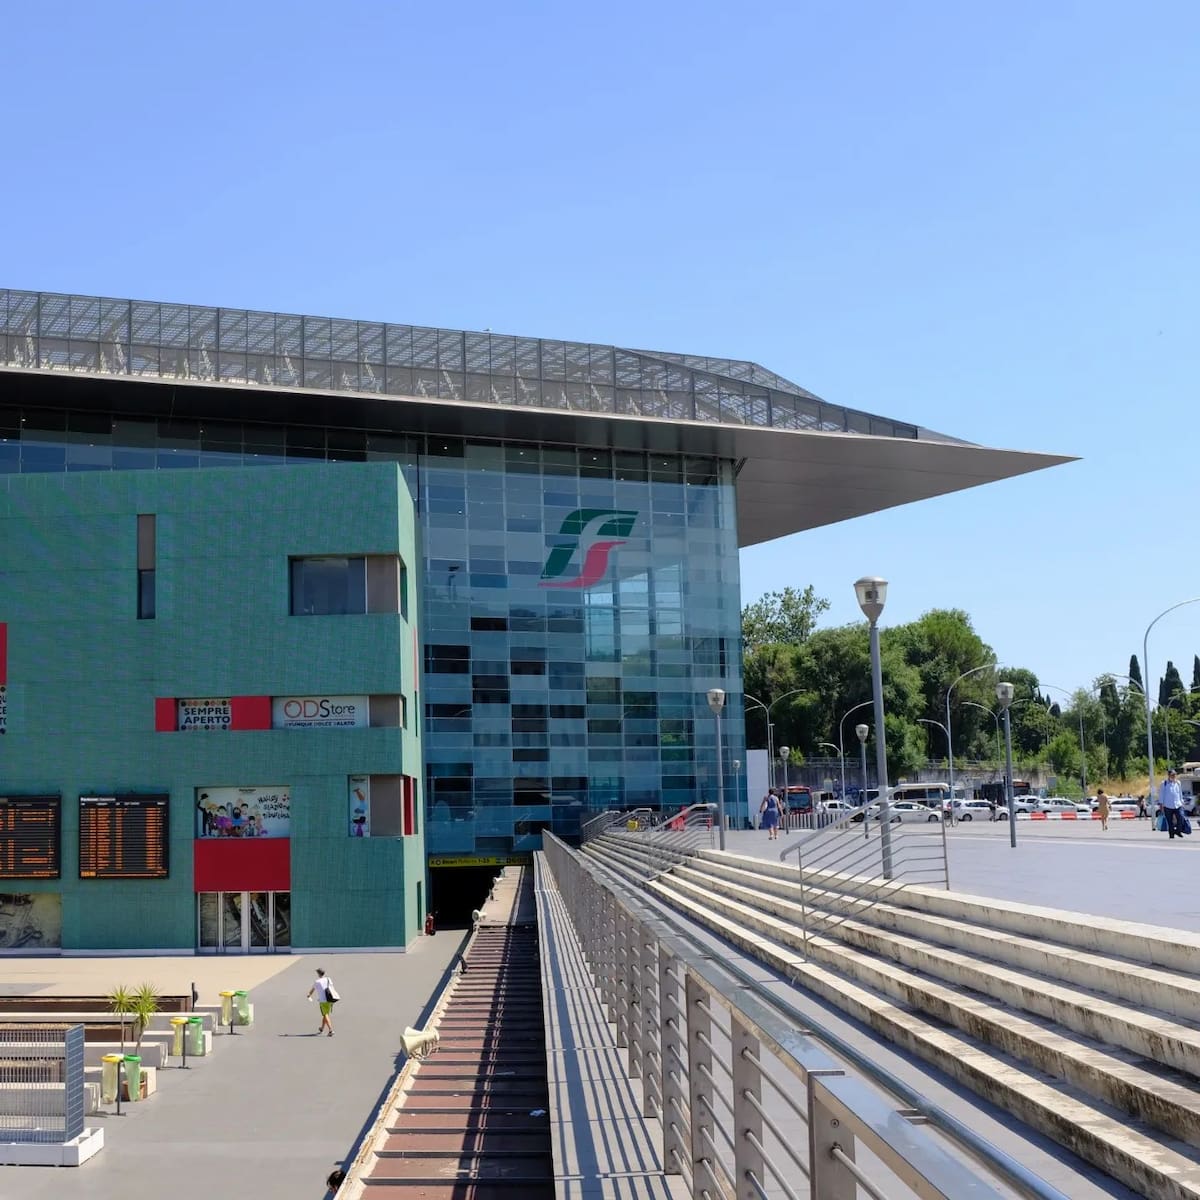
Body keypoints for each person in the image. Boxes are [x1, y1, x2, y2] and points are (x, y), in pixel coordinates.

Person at [308, 967, 338, 1036]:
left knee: (325, 1014)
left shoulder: (317, 981)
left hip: (323, 1000)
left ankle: (331, 1030)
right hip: (330, 999)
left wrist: (309, 995)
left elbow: (312, 990)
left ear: (318, 974)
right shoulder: (328, 979)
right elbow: (332, 987)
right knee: (326, 1014)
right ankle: (322, 1028)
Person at [1159, 769, 1185, 839]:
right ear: (1169, 775)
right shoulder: (1164, 783)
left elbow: (1180, 793)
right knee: (1170, 822)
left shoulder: (1178, 783)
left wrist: (1182, 802)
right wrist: (1161, 805)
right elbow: (1161, 794)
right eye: (1172, 775)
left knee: (1181, 817)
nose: (1174, 776)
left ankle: (1178, 831)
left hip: (1177, 804)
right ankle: (1171, 835)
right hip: (1168, 805)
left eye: (1175, 775)